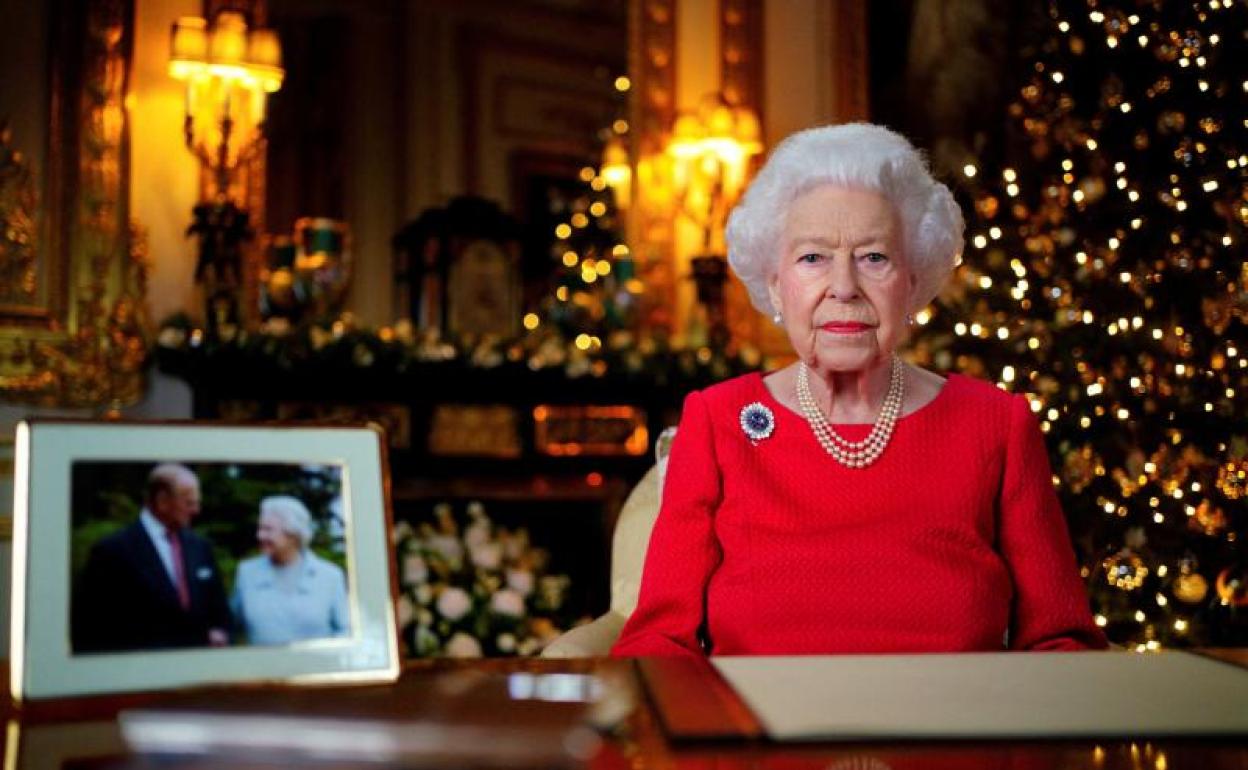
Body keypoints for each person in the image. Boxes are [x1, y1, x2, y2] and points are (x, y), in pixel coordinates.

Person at [612, 123, 1108, 657]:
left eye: (874, 257)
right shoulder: (717, 420)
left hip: (953, 734)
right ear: (776, 283)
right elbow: (658, 643)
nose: (844, 287)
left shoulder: (995, 424)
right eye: (812, 258)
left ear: (913, 281)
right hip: (760, 734)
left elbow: (1062, 641)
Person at [73, 463, 231, 652]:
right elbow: (90, 629)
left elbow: (220, 610)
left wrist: (220, 632)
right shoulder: (112, 551)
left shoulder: (200, 547)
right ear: (162, 501)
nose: (196, 510)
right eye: (189, 503)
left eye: (197, 502)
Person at [231, 495, 351, 645]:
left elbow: (345, 631)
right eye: (260, 528)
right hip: (262, 667)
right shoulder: (247, 573)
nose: (259, 535)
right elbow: (230, 625)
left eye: (268, 529)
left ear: (293, 535)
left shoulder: (330, 576)